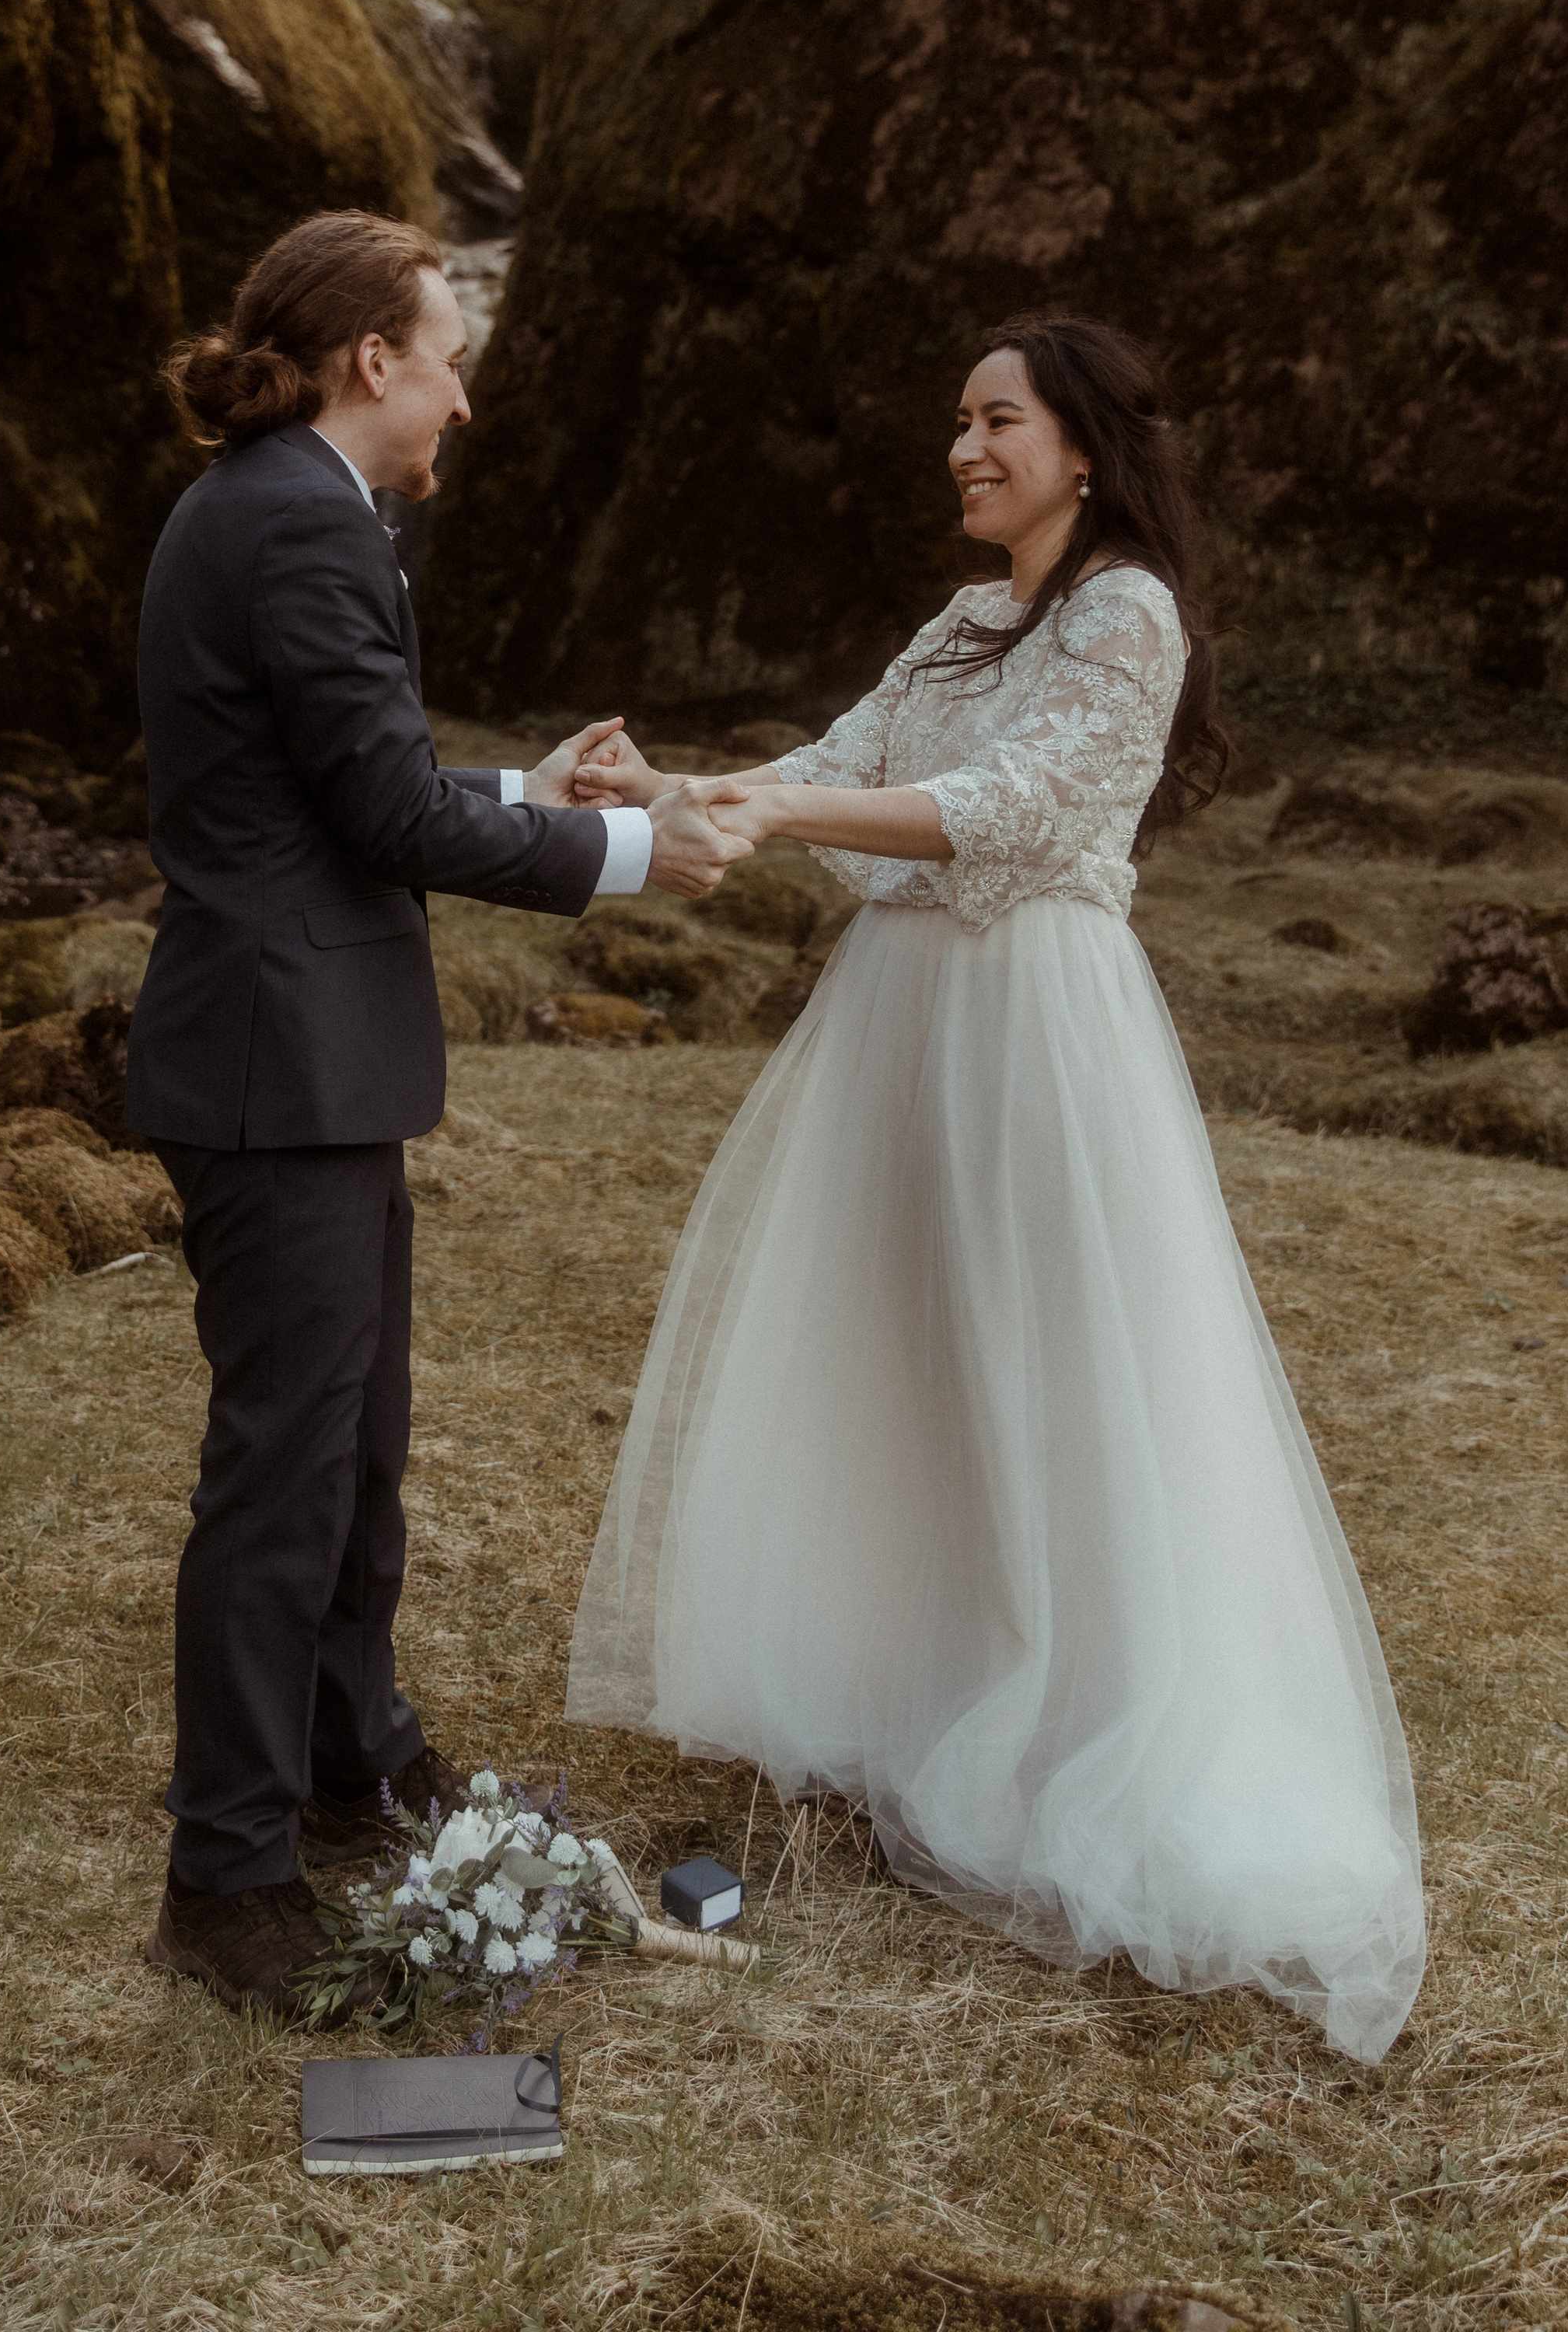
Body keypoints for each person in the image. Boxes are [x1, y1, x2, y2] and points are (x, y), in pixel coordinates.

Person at [567, 313, 1427, 2062]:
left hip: (1035, 1031)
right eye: (952, 422)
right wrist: (657, 792)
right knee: (910, 1359)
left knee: (1051, 1366)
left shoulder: (1127, 614)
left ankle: (1078, 1722)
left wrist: (783, 818)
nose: (961, 449)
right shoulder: (964, 619)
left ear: (1083, 450)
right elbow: (838, 763)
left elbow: (1015, 810)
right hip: (900, 1030)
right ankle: (940, 1684)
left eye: (994, 421)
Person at [126, 208, 746, 2023]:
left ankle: (354, 1757)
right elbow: (380, 826)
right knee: (282, 1475)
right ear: (368, 357)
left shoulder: (288, 508)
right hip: (273, 1068)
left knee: (355, 1445)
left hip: (306, 1060)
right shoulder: (299, 517)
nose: (465, 397)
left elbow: (346, 783)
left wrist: (517, 786)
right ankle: (226, 1871)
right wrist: (633, 846)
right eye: (449, 353)